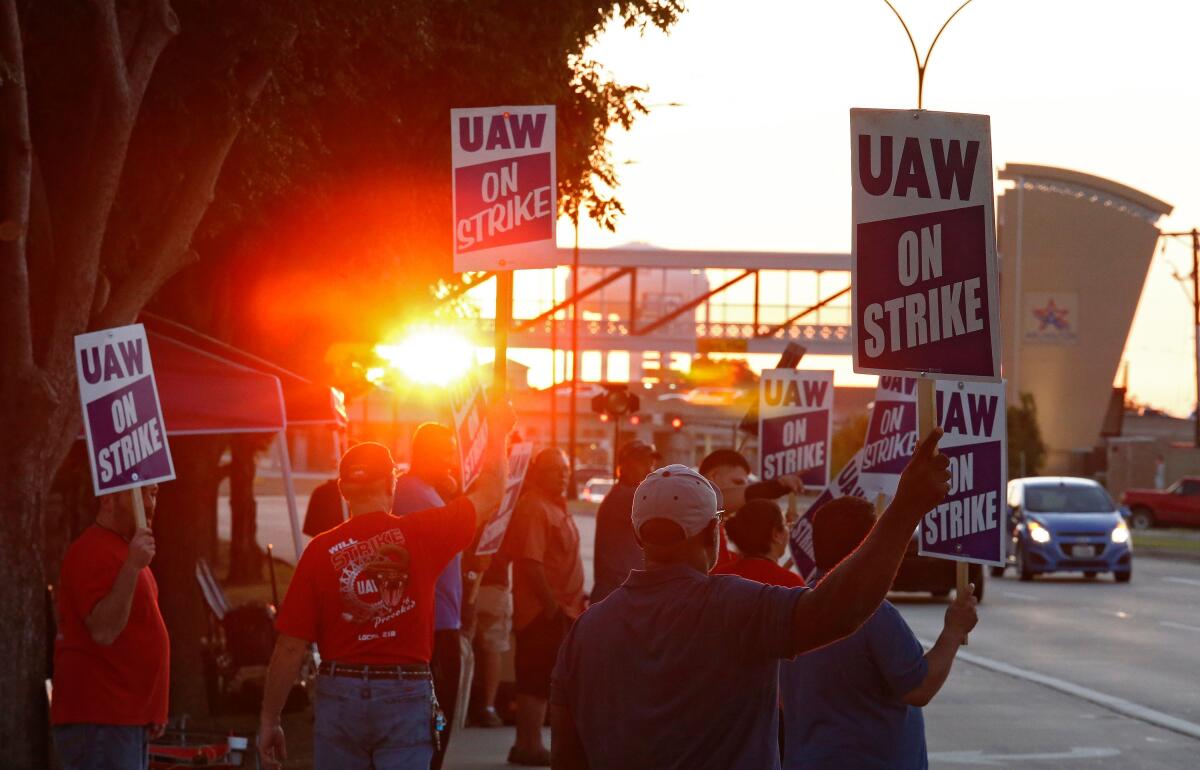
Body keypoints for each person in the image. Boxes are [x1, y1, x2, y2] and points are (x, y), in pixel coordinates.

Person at [550, 429, 952, 770]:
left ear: (640, 537)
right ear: (712, 533)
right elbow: (838, 610)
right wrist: (905, 510)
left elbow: (566, 756)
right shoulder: (735, 607)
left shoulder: (586, 630)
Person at [258, 403, 511, 770]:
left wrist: (270, 719)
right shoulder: (423, 533)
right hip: (404, 689)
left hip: (339, 690)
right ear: (391, 483)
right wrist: (500, 434)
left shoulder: (319, 551)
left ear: (344, 489)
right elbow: (490, 495)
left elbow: (290, 647)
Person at [781, 496, 978, 770]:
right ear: (870, 546)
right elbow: (919, 688)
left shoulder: (796, 606)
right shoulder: (869, 611)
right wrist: (954, 631)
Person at [51, 485, 168, 770]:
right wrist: (131, 567)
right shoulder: (92, 551)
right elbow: (103, 631)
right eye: (140, 495)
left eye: (153, 494)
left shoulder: (126, 551)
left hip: (126, 720)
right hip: (102, 719)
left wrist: (152, 709)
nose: (150, 504)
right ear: (108, 499)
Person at [501, 448, 585, 766]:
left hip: (563, 609)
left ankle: (530, 744)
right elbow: (530, 562)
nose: (562, 475)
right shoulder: (534, 507)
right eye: (554, 469)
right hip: (541, 613)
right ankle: (529, 746)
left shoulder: (554, 506)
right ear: (537, 473)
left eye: (565, 469)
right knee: (535, 681)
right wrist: (550, 606)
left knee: (543, 679)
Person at [391, 422, 464, 770]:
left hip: (442, 619)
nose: (452, 460)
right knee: (435, 721)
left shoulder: (424, 491)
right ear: (428, 454)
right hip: (432, 625)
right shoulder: (413, 494)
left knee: (439, 719)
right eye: (447, 452)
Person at [698, 449, 803, 569]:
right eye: (737, 482)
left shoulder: (718, 523)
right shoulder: (694, 507)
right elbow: (716, 500)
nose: (741, 489)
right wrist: (776, 486)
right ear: (714, 476)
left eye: (745, 485)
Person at [592, 440, 660, 602]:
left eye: (650, 463)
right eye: (642, 463)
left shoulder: (628, 494)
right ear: (624, 466)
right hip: (616, 595)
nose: (649, 469)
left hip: (622, 593)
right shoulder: (627, 497)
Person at [712, 498, 804, 587]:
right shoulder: (791, 583)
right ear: (776, 534)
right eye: (785, 525)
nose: (788, 529)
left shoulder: (718, 576)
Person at [468, 552, 512, 727]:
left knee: (464, 646)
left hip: (466, 581)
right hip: (495, 584)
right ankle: (489, 707)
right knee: (493, 647)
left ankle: (462, 706)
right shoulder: (505, 524)